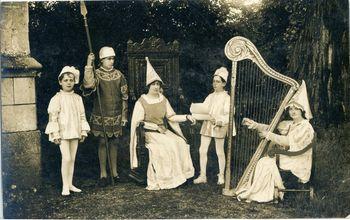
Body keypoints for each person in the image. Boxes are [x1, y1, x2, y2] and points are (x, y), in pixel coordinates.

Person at [236, 80, 314, 203]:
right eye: (291, 109)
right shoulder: (291, 124)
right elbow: (271, 128)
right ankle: (270, 191)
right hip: (289, 156)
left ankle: (269, 192)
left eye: (296, 109)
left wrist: (269, 135)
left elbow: (288, 141)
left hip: (299, 160)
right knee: (265, 161)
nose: (293, 111)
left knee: (265, 161)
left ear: (302, 111)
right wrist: (255, 125)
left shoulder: (305, 126)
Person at [130, 57, 196, 190]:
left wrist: (187, 116)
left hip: (164, 131)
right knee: (168, 145)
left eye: (158, 84)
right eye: (153, 84)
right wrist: (154, 127)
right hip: (150, 134)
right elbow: (138, 123)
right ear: (148, 86)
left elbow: (171, 116)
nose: (156, 87)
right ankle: (167, 179)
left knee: (180, 142)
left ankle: (182, 176)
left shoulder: (163, 99)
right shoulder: (141, 101)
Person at [81, 46, 128, 186]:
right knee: (102, 142)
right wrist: (89, 63)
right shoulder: (96, 74)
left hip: (116, 115)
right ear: (101, 60)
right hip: (101, 114)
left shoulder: (119, 75)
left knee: (114, 142)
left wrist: (124, 116)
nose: (111, 61)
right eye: (108, 59)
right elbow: (88, 85)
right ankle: (103, 173)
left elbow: (124, 96)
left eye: (113, 58)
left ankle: (114, 172)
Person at [45, 66, 90, 196]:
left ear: (74, 81)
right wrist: (55, 134)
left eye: (71, 80)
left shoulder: (77, 98)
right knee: (66, 158)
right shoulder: (57, 98)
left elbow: (82, 115)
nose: (69, 82)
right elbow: (53, 117)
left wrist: (83, 131)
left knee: (72, 158)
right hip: (63, 133)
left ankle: (70, 184)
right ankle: (65, 185)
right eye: (65, 80)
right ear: (60, 82)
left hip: (74, 131)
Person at [193, 67, 236, 185]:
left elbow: (230, 114)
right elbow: (204, 109)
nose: (215, 84)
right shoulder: (210, 96)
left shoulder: (227, 98)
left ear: (224, 83)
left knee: (220, 151)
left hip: (220, 126)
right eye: (214, 81)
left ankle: (221, 175)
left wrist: (220, 121)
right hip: (208, 124)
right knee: (202, 150)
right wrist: (198, 113)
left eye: (217, 82)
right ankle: (202, 175)